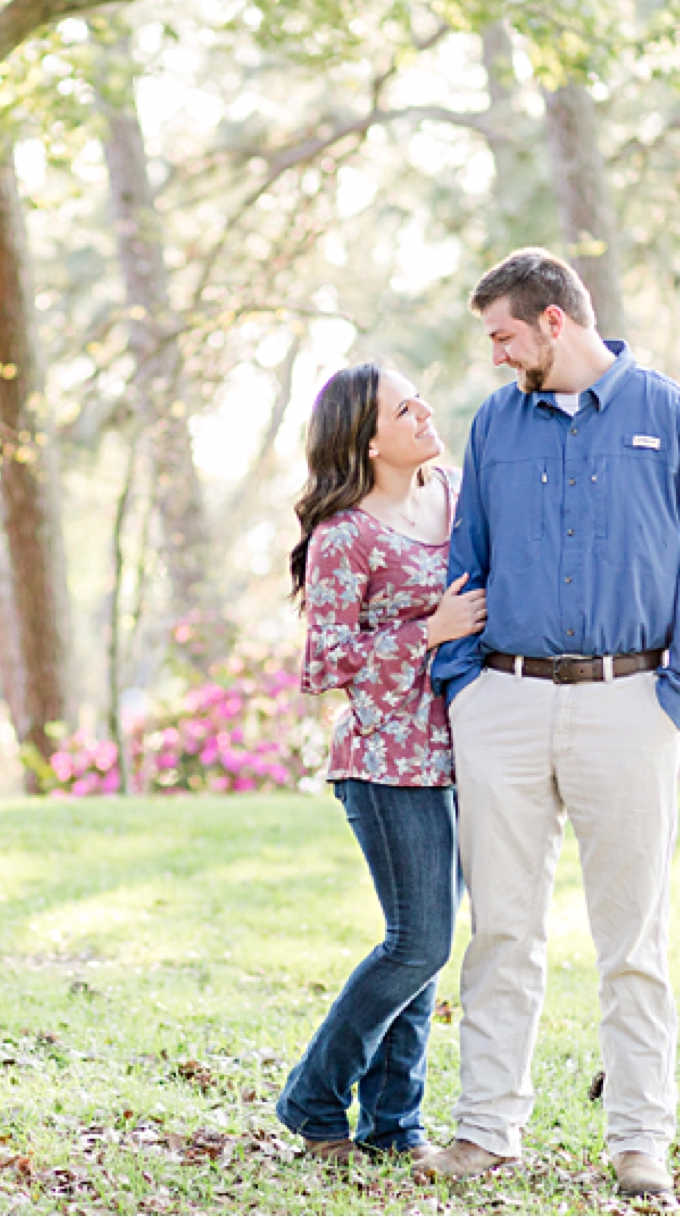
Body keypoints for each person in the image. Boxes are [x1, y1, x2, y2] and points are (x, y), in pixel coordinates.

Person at [415, 250, 680, 1199]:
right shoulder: (496, 424)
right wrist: (465, 682)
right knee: (501, 932)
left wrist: (679, 691)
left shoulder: (670, 417)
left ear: (554, 321)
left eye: (506, 336)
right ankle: (485, 1132)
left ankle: (640, 1143)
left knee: (633, 940)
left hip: (629, 703)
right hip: (503, 703)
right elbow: (465, 558)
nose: (499, 355)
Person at [276, 362, 488, 1164]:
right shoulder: (345, 536)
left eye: (419, 398)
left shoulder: (456, 492)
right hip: (385, 760)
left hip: (462, 748)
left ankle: (393, 1130)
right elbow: (323, 665)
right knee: (419, 942)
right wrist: (426, 631)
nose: (426, 412)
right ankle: (313, 1098)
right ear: (367, 441)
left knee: (424, 949)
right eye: (405, 409)